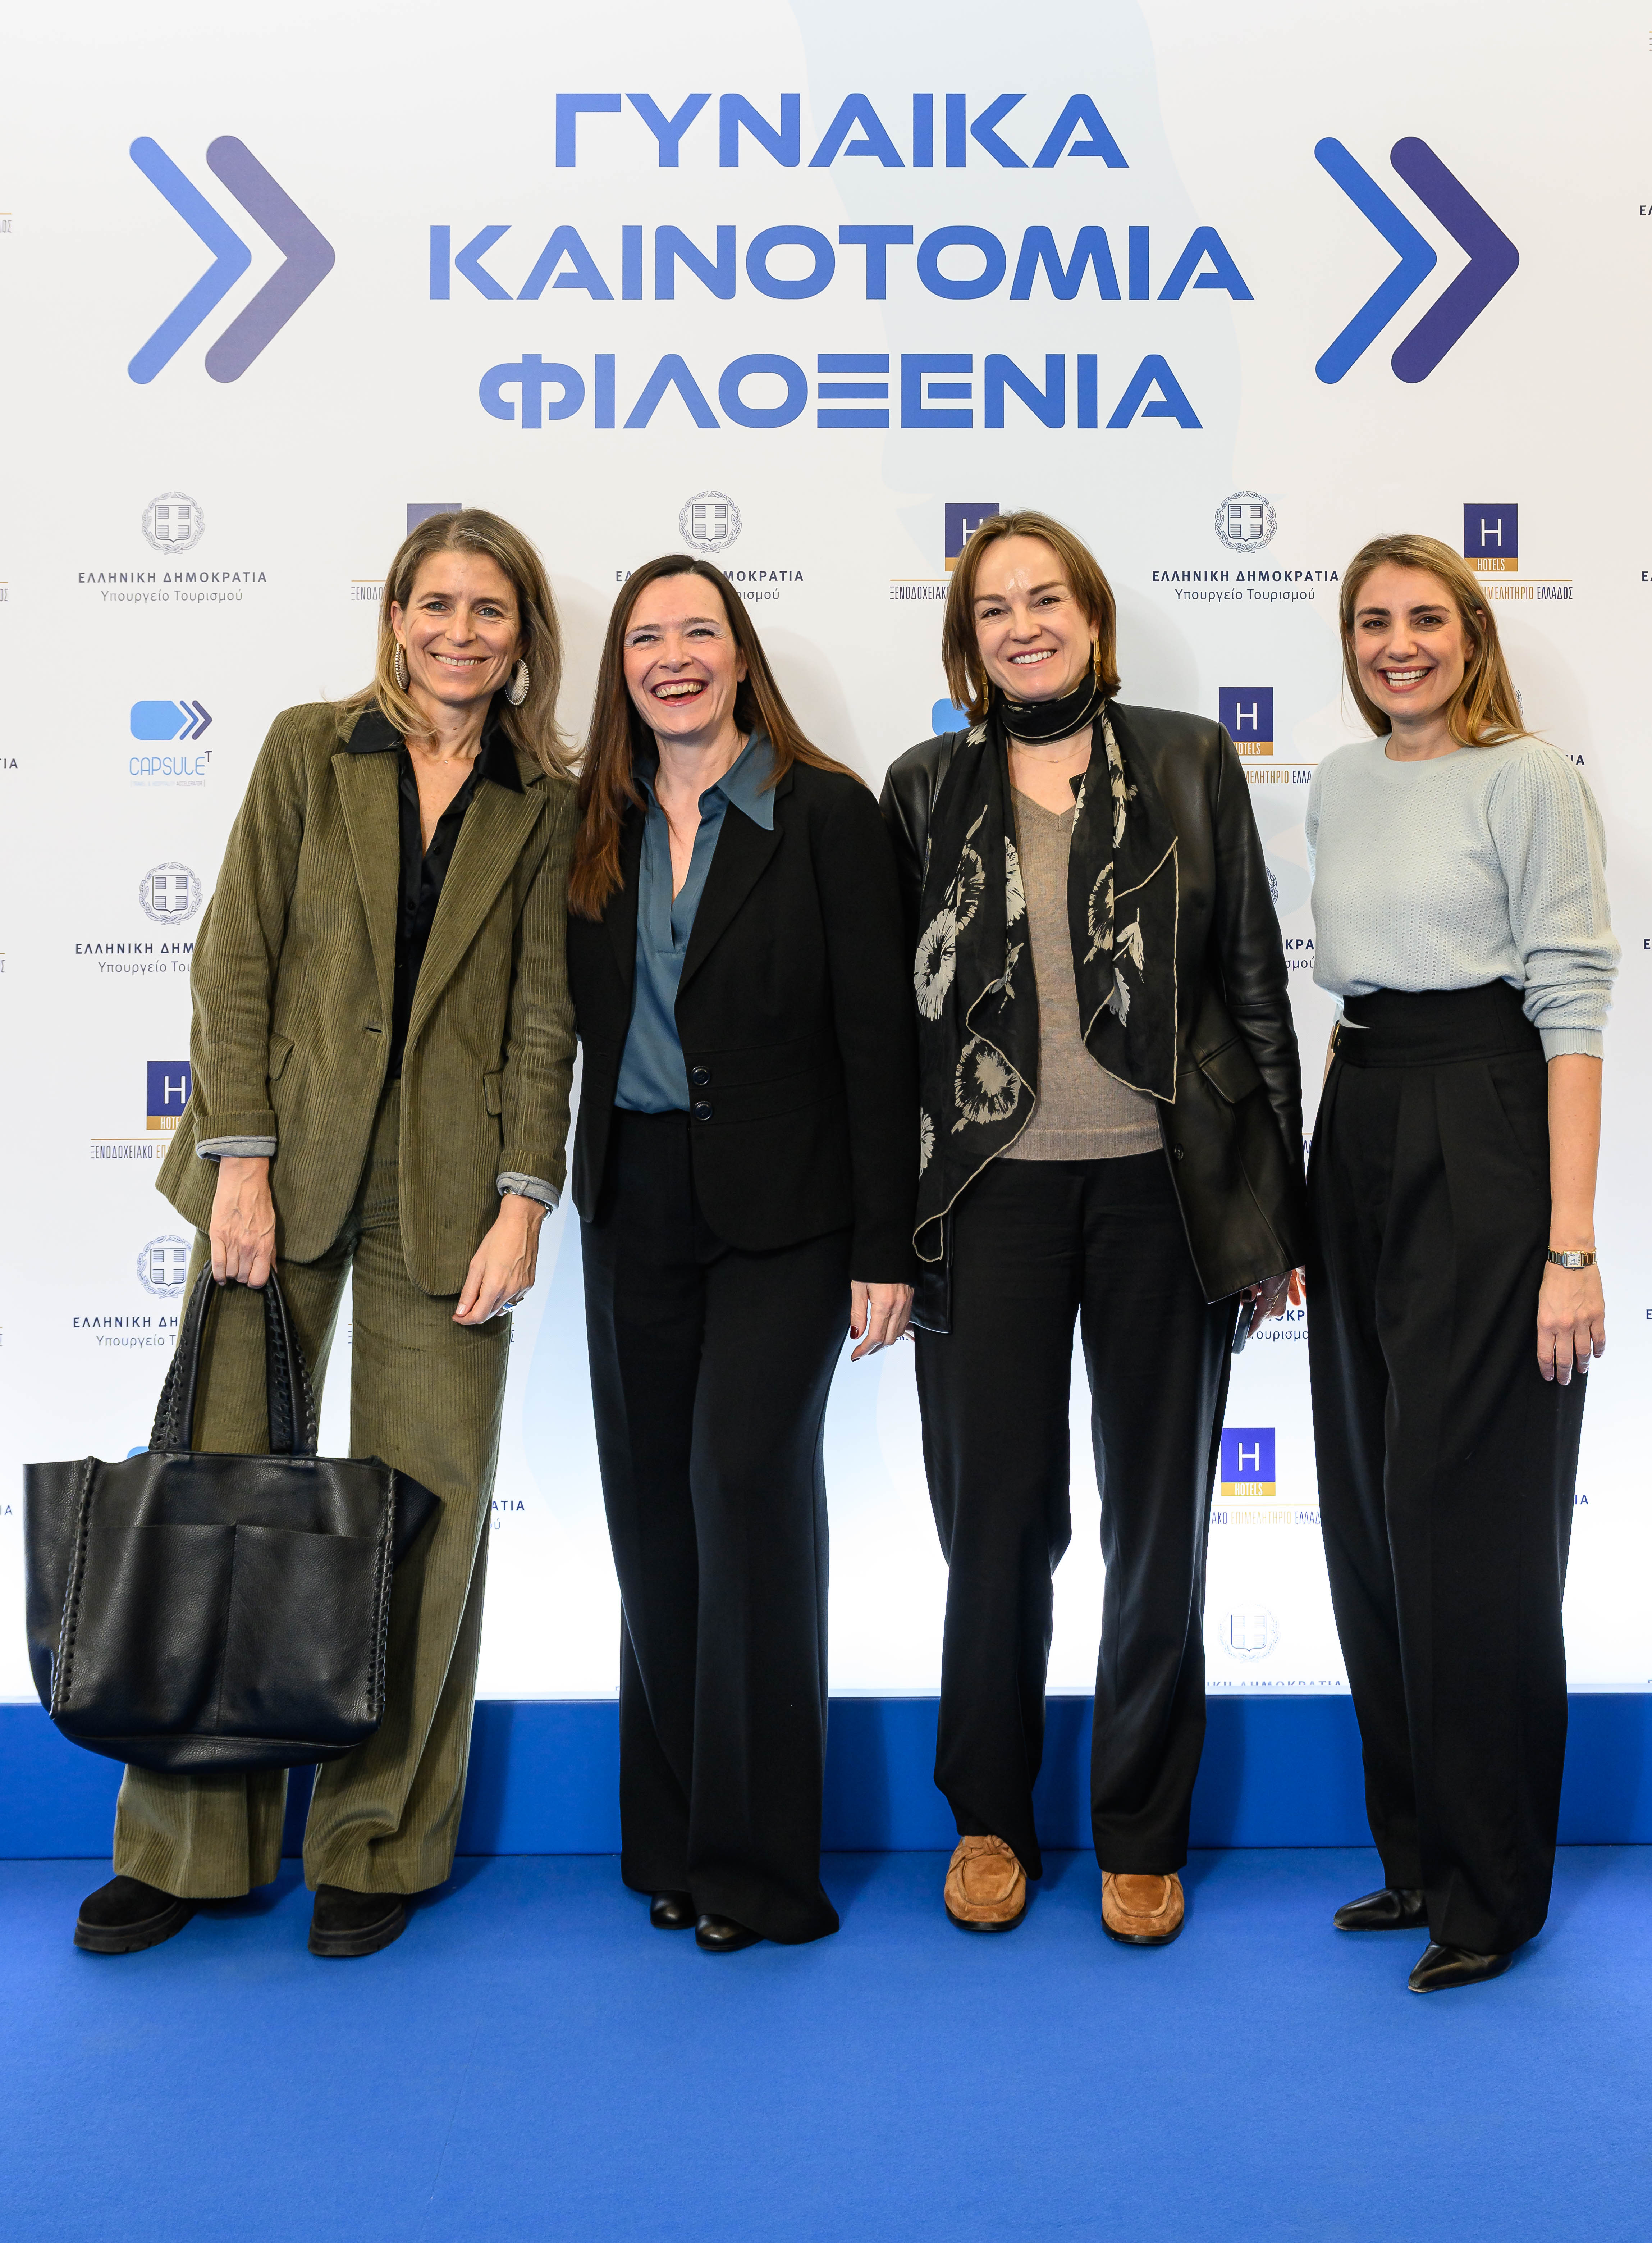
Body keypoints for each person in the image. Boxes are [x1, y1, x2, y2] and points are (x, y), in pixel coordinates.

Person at [74, 510, 578, 1961]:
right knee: (219, 1500)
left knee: (428, 1510)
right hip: (280, 1166)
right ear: (397, 614)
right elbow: (235, 953)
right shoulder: (310, 747)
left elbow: (545, 1011)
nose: (461, 631)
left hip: (451, 1186)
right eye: (438, 603)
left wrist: (523, 1196)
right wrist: (239, 1154)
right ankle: (188, 1847)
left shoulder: (544, 798)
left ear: (524, 635)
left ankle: (380, 1838)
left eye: (490, 609)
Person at [880, 511, 1304, 1946]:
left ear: (1093, 615)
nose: (1023, 626)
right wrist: (885, 1227)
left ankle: (1140, 1829)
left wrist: (1272, 1208)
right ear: (968, 640)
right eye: (993, 608)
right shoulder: (923, 786)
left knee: (1159, 1521)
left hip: (1163, 1191)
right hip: (986, 1194)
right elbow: (894, 1028)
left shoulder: (1187, 759)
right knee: (994, 1524)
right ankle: (989, 1817)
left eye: (1044, 598)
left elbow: (1252, 985)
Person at [567, 555, 916, 1952]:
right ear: (622, 669)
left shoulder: (824, 811)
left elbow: (880, 1042)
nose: (674, 656)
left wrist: (888, 1241)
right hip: (633, 1204)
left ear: (740, 652)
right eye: (646, 637)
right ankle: (672, 1840)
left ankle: (763, 1869)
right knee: (653, 1515)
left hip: (790, 1217)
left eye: (698, 631)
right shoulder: (591, 823)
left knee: (744, 1493)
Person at [1305, 533, 1617, 1994]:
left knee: (1469, 1526)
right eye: (1373, 620)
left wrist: (1571, 1245)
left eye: (1426, 617)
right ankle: (1420, 1855)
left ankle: (1492, 1891)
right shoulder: (1340, 778)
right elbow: (1352, 997)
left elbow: (1572, 1009)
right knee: (1371, 1512)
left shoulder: (1529, 778)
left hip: (1486, 1125)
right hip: (1357, 1121)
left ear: (1473, 634)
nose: (1399, 643)